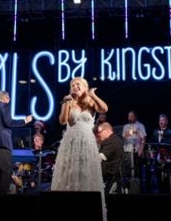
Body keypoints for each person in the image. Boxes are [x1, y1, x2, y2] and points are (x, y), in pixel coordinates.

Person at [51, 77, 108, 221]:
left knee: (86, 174)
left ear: (84, 86)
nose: (75, 87)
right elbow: (63, 121)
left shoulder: (90, 102)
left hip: (87, 142)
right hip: (71, 142)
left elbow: (104, 109)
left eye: (78, 84)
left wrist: (92, 94)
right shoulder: (68, 101)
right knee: (69, 174)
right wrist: (65, 103)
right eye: (72, 85)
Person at [0, 90, 33, 194]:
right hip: (2, 143)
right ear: (5, 98)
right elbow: (9, 122)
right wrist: (24, 121)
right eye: (9, 98)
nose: (9, 100)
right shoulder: (5, 106)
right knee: (6, 171)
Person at [96, 122, 124, 194]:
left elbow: (98, 159)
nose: (98, 134)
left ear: (106, 131)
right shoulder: (115, 139)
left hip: (108, 174)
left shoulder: (110, 141)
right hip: (113, 173)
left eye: (99, 132)